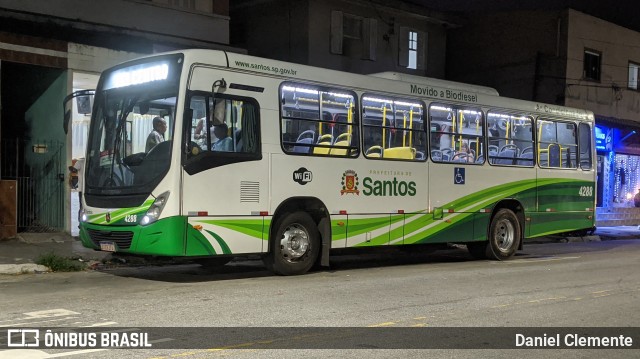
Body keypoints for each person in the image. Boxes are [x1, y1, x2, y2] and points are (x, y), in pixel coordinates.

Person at [68, 158, 85, 224]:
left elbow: (73, 170)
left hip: (83, 189)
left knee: (82, 206)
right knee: (82, 206)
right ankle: (81, 222)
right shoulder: (80, 162)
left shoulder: (81, 162)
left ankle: (81, 222)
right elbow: (73, 170)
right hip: (82, 189)